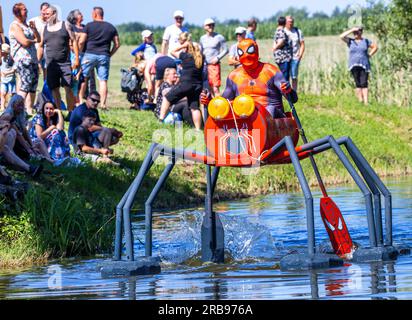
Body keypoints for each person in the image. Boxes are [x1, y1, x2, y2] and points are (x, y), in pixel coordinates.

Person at [202, 39, 297, 119]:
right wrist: (210, 101)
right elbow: (224, 104)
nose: (247, 56)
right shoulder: (234, 76)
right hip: (245, 121)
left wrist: (288, 90)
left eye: (250, 51)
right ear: (238, 57)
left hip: (274, 121)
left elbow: (293, 99)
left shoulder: (270, 71)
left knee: (270, 109)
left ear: (257, 53)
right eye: (242, 53)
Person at [37, 5, 79, 112]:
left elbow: (74, 41)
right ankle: (59, 112)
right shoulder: (44, 28)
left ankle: (71, 112)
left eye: (48, 14)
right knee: (54, 89)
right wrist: (38, 62)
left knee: (68, 88)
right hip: (51, 65)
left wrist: (77, 59)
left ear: (54, 14)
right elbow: (41, 46)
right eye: (44, 14)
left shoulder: (66, 25)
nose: (45, 16)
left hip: (65, 64)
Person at [158, 32, 203, 130]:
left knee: (167, 98)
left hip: (186, 84)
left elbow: (172, 51)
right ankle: (198, 129)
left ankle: (160, 120)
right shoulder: (200, 58)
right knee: (194, 107)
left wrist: (183, 45)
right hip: (197, 86)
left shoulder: (185, 56)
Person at [78, 7, 120, 110]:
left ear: (95, 14)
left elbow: (81, 41)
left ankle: (79, 102)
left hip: (89, 54)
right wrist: (109, 54)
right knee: (103, 81)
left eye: (92, 13)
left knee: (84, 78)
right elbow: (117, 44)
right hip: (104, 55)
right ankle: (103, 104)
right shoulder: (111, 27)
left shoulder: (88, 26)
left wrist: (80, 53)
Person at [9, 3, 41, 115]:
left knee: (33, 85)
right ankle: (16, 110)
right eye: (24, 10)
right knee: (25, 85)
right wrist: (33, 40)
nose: (26, 11)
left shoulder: (27, 25)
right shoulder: (15, 26)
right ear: (17, 12)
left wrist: (34, 29)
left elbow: (39, 39)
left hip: (33, 59)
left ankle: (29, 110)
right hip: (23, 60)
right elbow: (25, 42)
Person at [0, 95, 43, 177]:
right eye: (18, 105)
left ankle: (48, 161)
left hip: (8, 145)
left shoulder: (18, 115)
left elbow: (24, 131)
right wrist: (28, 149)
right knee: (12, 133)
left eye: (22, 105)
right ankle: (29, 168)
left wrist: (31, 145)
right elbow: (19, 135)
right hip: (3, 145)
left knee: (13, 133)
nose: (21, 107)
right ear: (12, 105)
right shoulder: (8, 115)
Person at [340, 26, 378, 105]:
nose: (356, 34)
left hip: (364, 64)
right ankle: (360, 101)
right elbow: (341, 36)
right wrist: (352, 29)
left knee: (364, 83)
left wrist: (370, 55)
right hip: (353, 65)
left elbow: (375, 47)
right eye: (354, 32)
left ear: (361, 32)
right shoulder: (350, 41)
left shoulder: (366, 41)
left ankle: (366, 102)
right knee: (357, 83)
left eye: (357, 32)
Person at [200, 18, 228, 96]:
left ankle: (218, 106)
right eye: (209, 25)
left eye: (212, 25)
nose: (211, 26)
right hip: (205, 66)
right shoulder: (202, 38)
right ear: (204, 27)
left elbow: (226, 50)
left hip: (214, 65)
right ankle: (211, 106)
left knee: (215, 88)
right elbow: (201, 51)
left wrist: (218, 58)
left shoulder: (219, 37)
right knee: (208, 88)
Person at [28, 2, 50, 80]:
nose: (45, 12)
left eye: (47, 10)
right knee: (34, 73)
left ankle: (45, 91)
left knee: (47, 74)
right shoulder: (33, 21)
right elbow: (28, 36)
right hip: (35, 50)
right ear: (40, 10)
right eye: (44, 10)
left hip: (47, 51)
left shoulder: (50, 23)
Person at [285, 16, 305, 91]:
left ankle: (294, 93)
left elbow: (302, 44)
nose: (291, 23)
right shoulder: (283, 31)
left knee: (294, 76)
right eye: (289, 22)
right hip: (285, 58)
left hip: (295, 57)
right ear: (285, 22)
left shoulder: (298, 31)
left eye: (292, 22)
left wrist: (300, 55)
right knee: (285, 77)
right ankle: (286, 93)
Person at [272, 16, 292, 82]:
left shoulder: (277, 31)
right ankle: (284, 92)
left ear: (278, 23)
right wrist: (275, 48)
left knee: (282, 76)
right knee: (285, 77)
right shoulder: (281, 31)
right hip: (284, 57)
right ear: (285, 23)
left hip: (279, 57)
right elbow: (282, 41)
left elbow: (275, 42)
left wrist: (274, 48)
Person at [1, 44, 17, 111]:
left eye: (3, 52)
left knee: (11, 94)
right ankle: (2, 106)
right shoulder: (1, 59)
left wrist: (7, 73)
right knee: (2, 93)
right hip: (3, 80)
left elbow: (14, 69)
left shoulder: (11, 59)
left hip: (11, 79)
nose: (2, 53)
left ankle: (11, 106)